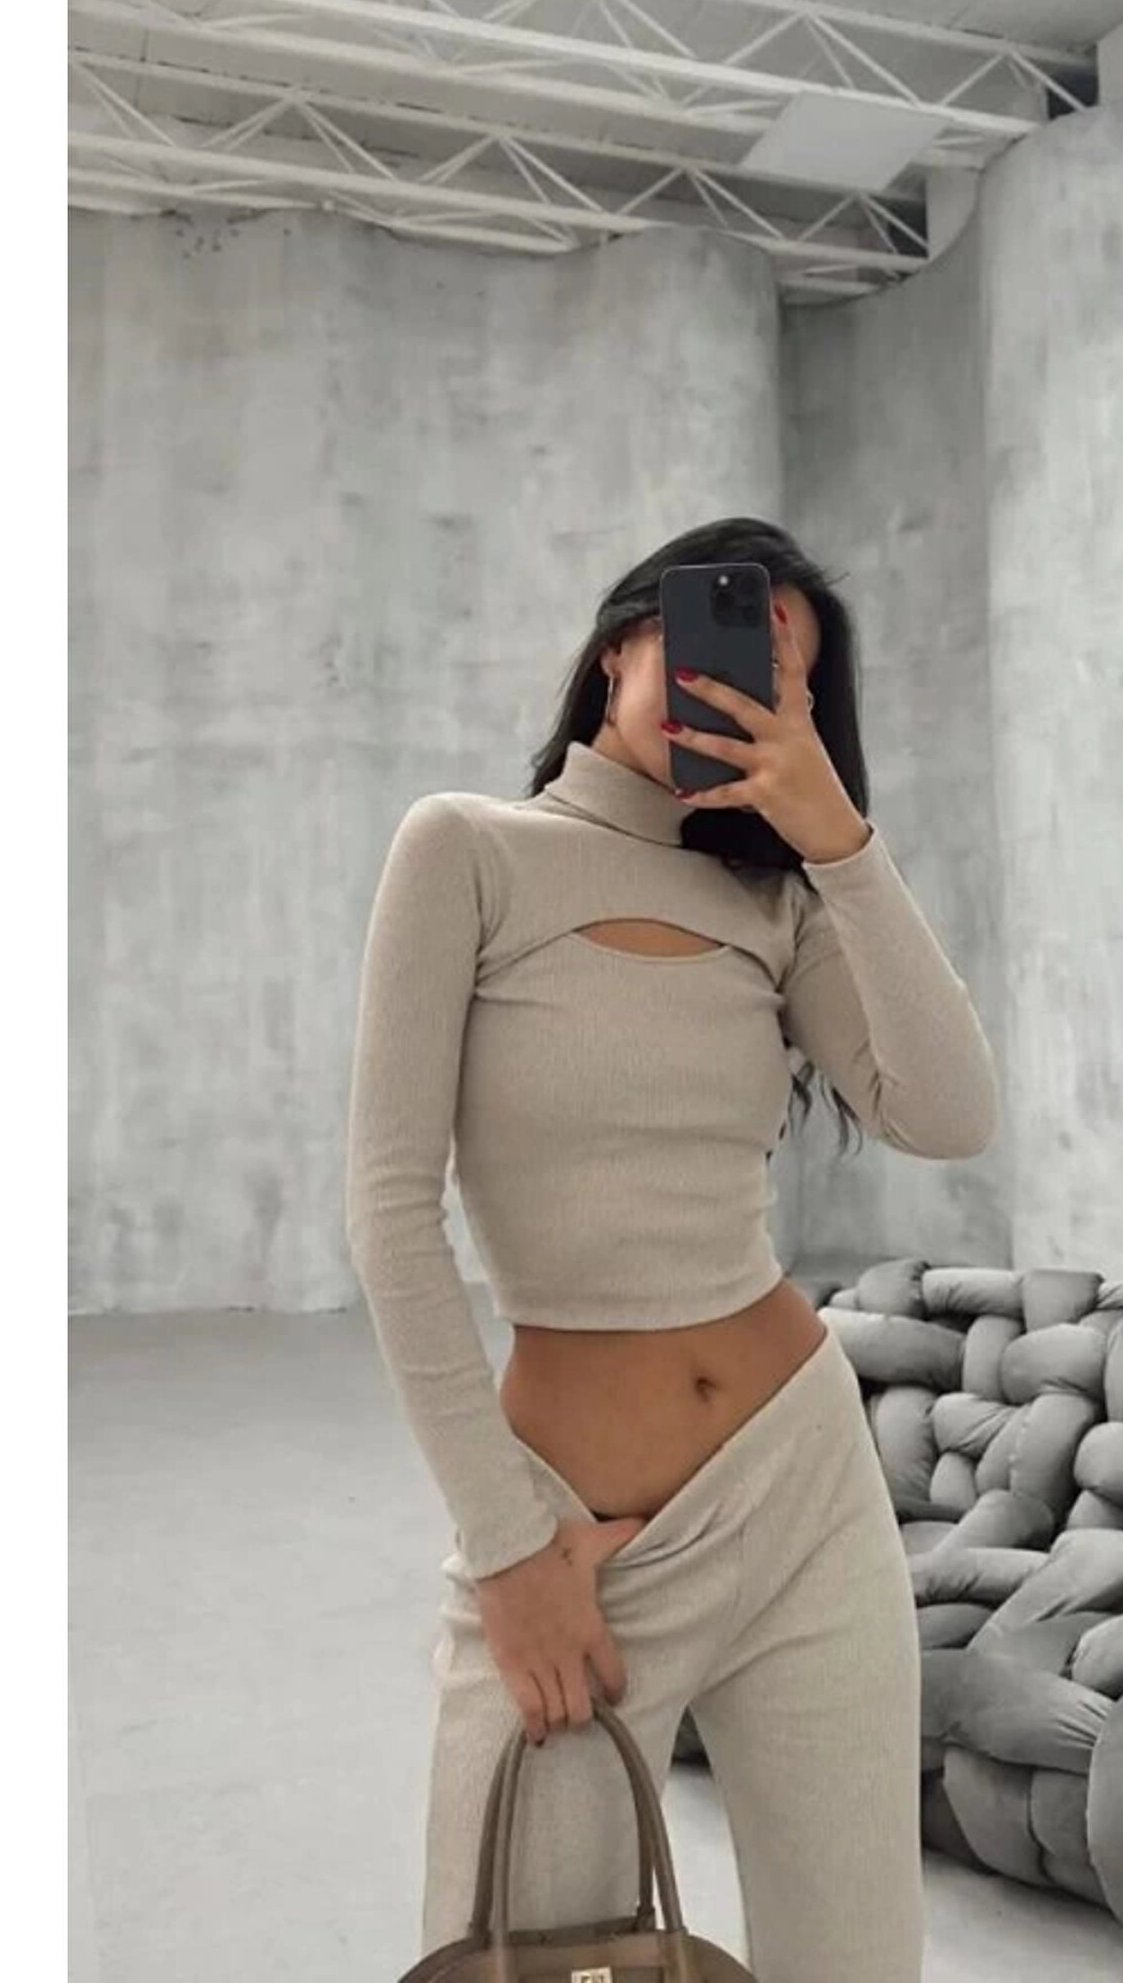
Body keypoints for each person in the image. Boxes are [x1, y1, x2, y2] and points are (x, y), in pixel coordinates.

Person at [344, 516, 999, 1980]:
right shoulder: (468, 851)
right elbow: (388, 1212)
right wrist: (510, 1549)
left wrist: (841, 845)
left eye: (788, 678)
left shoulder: (776, 898)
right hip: (579, 1531)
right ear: (623, 645)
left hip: (806, 1488)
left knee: (856, 1963)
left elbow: (950, 1114)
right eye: (729, 638)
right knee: (520, 1952)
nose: (747, 686)